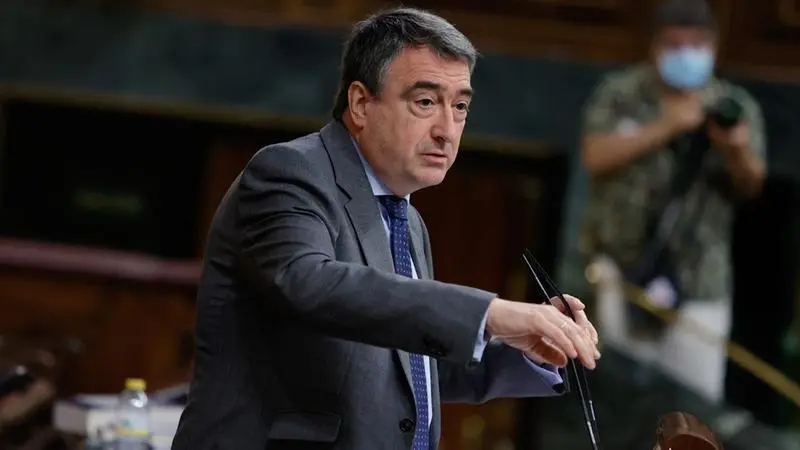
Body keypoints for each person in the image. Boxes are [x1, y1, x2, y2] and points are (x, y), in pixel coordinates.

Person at [172, 7, 600, 450]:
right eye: (425, 102)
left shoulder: (407, 220)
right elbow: (310, 283)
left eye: (460, 107)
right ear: (361, 103)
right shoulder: (290, 172)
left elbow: (407, 370)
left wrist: (522, 346)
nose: (447, 130)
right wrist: (489, 314)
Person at [579, 0, 766, 403]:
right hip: (624, 273)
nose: (687, 54)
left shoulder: (731, 106)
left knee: (693, 407)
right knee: (621, 400)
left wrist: (735, 149)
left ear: (714, 47)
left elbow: (752, 184)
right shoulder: (621, 94)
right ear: (655, 47)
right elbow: (594, 156)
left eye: (697, 44)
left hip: (699, 281)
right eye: (675, 44)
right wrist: (666, 125)